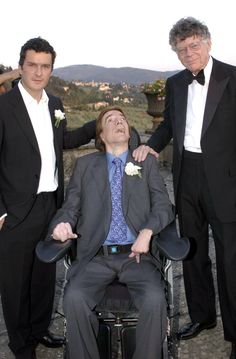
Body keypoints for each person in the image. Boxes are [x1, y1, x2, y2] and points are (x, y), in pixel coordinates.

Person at [133, 16, 236, 358]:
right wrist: (151, 145)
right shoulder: (176, 83)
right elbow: (169, 126)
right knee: (190, 252)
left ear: (208, 43)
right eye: (182, 49)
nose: (189, 53)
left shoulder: (233, 77)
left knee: (231, 257)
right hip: (186, 173)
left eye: (194, 46)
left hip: (226, 177)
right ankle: (203, 317)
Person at [49, 106, 174, 359]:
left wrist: (147, 231)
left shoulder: (145, 162)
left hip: (137, 257)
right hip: (96, 256)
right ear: (101, 136)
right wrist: (62, 225)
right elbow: (69, 208)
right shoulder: (85, 166)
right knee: (74, 297)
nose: (119, 122)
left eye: (122, 119)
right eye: (110, 120)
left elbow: (164, 206)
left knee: (153, 299)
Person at [0, 37, 96, 359]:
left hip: (51, 205)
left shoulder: (55, 103)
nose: (38, 72)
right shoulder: (3, 106)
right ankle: (21, 343)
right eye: (32, 65)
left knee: (43, 275)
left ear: (51, 69)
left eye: (45, 66)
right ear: (21, 67)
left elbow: (62, 139)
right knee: (15, 283)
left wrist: (94, 127)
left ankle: (40, 329)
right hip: (14, 210)